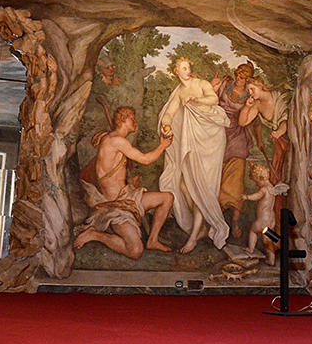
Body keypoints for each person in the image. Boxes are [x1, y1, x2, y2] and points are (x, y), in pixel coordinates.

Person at [73, 106, 174, 259]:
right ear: (123, 120)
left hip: (128, 198)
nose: (136, 123)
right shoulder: (116, 141)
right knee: (135, 251)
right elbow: (145, 160)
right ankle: (95, 234)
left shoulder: (113, 139)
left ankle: (152, 240)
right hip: (115, 206)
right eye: (132, 119)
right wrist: (163, 146)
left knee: (167, 198)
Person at [158, 57, 231, 254]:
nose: (187, 71)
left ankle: (193, 237)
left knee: (202, 185)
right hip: (194, 137)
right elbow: (169, 113)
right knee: (185, 185)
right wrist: (166, 126)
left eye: (188, 67)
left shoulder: (201, 84)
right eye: (183, 68)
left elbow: (214, 99)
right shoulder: (179, 92)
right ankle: (201, 227)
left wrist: (196, 100)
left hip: (211, 137)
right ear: (176, 72)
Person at [210, 62, 262, 239]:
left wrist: (259, 140)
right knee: (215, 177)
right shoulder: (224, 85)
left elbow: (255, 122)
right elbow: (208, 99)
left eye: (244, 77)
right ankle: (214, 219)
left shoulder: (251, 97)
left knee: (236, 179)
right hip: (217, 134)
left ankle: (235, 221)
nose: (240, 78)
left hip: (238, 139)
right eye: (239, 74)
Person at [238, 77, 290, 187]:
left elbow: (286, 120)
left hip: (289, 136)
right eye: (248, 90)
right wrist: (247, 107)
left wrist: (279, 132)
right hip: (279, 140)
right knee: (277, 170)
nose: (250, 93)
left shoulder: (277, 96)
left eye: (252, 89)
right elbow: (242, 122)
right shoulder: (257, 104)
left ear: (260, 86)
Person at [241, 163, 289, 265]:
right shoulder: (272, 188)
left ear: (260, 178)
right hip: (271, 220)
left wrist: (247, 197)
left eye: (256, 181)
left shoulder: (264, 189)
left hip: (263, 219)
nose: (256, 184)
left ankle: (250, 249)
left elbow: (257, 196)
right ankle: (271, 260)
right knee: (267, 241)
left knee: (253, 230)